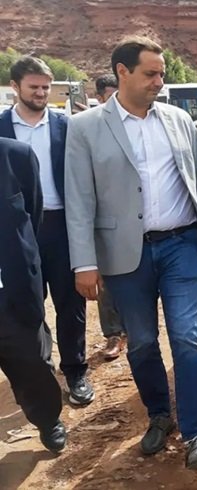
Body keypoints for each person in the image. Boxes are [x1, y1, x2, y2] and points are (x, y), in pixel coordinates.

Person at [64, 36, 197, 470]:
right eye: (151, 74)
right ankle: (159, 414)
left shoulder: (179, 120)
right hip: (124, 254)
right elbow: (79, 199)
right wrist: (84, 262)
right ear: (122, 72)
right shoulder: (85, 128)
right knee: (140, 342)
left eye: (162, 74)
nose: (160, 81)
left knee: (188, 337)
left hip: (182, 245)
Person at [0, 56, 94, 406]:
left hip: (61, 225)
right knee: (26, 303)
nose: (40, 93)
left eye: (45, 87)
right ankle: (41, 370)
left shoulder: (65, 126)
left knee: (71, 302)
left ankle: (76, 371)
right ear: (15, 87)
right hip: (17, 231)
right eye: (34, 87)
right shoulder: (1, 129)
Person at [0, 137, 68, 455]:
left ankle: (47, 419)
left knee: (32, 365)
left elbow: (32, 214)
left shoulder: (14, 155)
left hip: (10, 291)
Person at [92, 73, 127, 360]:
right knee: (106, 284)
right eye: (110, 96)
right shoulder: (88, 128)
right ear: (99, 97)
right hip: (104, 221)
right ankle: (113, 334)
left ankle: (133, 330)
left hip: (137, 220)